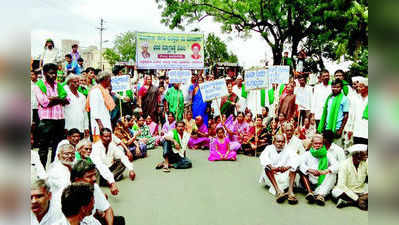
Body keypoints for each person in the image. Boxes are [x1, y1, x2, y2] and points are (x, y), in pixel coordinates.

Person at [34, 63, 69, 167]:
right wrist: (59, 99)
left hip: (60, 120)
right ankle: (42, 172)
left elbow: (67, 100)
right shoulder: (39, 85)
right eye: (51, 73)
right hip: (46, 121)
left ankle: (54, 170)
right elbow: (44, 102)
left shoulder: (58, 85)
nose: (53, 75)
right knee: (43, 148)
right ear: (44, 73)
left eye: (55, 73)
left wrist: (53, 98)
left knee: (57, 147)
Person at [71, 161, 126, 225]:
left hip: (92, 221)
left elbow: (108, 209)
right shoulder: (69, 196)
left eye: (94, 175)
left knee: (119, 221)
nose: (94, 179)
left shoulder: (93, 186)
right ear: (77, 180)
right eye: (89, 176)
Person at [91, 128, 135, 193]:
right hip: (100, 171)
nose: (108, 138)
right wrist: (112, 183)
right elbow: (100, 165)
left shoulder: (112, 145)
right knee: (95, 169)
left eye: (109, 136)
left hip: (110, 168)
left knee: (121, 162)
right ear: (100, 137)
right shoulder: (96, 147)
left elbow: (122, 156)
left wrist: (131, 169)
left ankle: (107, 180)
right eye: (106, 136)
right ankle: (106, 181)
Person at [299, 134, 338, 206]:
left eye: (320, 143)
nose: (318, 145)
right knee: (302, 169)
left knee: (332, 172)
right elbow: (300, 164)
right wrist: (309, 170)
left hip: (323, 184)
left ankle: (320, 196)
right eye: (316, 143)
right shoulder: (307, 154)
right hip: (311, 182)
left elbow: (336, 165)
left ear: (322, 144)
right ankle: (310, 192)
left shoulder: (327, 154)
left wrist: (324, 171)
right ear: (312, 144)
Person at [259, 134, 299, 204]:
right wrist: (273, 168)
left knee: (294, 168)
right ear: (274, 142)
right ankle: (278, 191)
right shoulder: (269, 148)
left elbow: (296, 159)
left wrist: (287, 167)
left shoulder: (288, 149)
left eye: (282, 142)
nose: (280, 144)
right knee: (267, 168)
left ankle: (290, 191)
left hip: (284, 175)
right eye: (278, 141)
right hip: (271, 176)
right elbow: (263, 158)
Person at [332, 144, 368, 210]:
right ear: (357, 155)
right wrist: (356, 198)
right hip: (347, 191)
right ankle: (359, 201)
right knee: (336, 191)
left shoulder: (365, 163)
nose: (366, 157)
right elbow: (341, 185)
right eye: (364, 155)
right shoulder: (344, 165)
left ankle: (349, 202)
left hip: (361, 190)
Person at [317, 79, 349, 147]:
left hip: (337, 128)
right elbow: (326, 113)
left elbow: (346, 115)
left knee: (336, 148)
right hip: (327, 128)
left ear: (341, 88)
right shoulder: (329, 98)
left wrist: (340, 130)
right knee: (326, 148)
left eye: (338, 87)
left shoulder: (344, 99)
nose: (335, 89)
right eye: (333, 87)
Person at [86, 71, 115, 142]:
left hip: (105, 124)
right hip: (100, 128)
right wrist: (101, 127)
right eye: (109, 80)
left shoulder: (104, 91)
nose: (110, 82)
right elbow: (95, 112)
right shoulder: (95, 91)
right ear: (105, 80)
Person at [47, 144, 75, 211]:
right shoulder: (55, 170)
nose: (70, 156)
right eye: (66, 154)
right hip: (59, 206)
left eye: (72, 154)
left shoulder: (72, 167)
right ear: (59, 156)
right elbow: (67, 188)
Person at [348, 77, 368, 144]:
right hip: (357, 129)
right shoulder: (355, 98)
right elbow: (351, 114)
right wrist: (350, 129)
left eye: (361, 87)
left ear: (367, 87)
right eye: (358, 86)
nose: (358, 88)